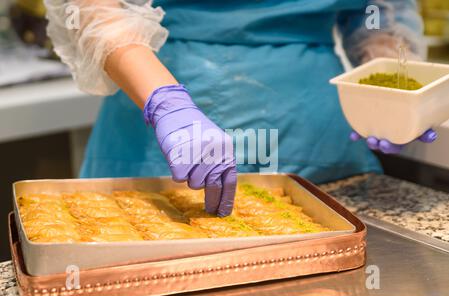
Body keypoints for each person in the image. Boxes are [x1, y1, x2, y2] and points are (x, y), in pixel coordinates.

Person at [44, 0, 435, 217]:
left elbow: (380, 12)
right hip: (158, 98)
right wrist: (166, 104)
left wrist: (394, 92)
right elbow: (90, 7)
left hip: (314, 129)